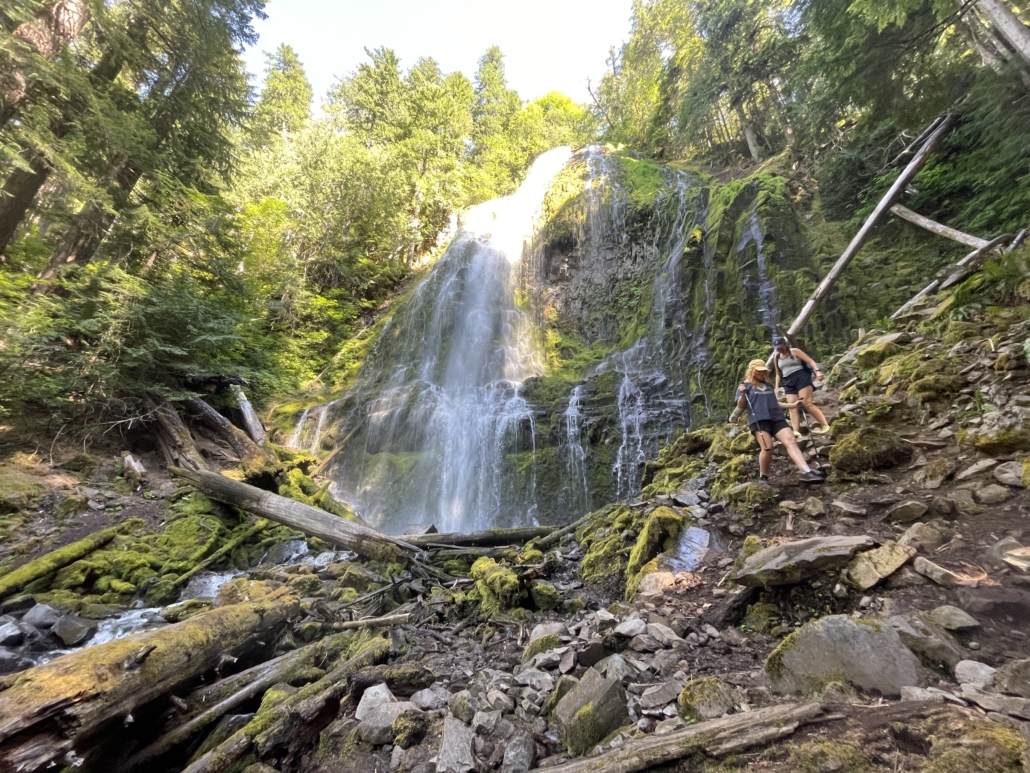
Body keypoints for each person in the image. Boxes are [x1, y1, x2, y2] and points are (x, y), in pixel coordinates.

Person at [730, 359, 825, 484]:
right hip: (759, 419)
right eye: (758, 371)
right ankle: (763, 475)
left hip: (776, 417)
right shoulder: (745, 386)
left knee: (791, 440)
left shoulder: (768, 385)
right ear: (752, 371)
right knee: (767, 447)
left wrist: (792, 405)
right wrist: (743, 394)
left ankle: (806, 471)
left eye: (763, 371)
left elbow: (775, 403)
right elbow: (741, 405)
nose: (761, 374)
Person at [772, 335, 830, 437]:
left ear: (786, 345)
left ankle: (825, 425)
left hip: (801, 376)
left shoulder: (795, 351)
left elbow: (810, 361)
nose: (779, 349)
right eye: (777, 348)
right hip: (788, 380)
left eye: (781, 346)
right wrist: (776, 387)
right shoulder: (776, 357)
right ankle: (796, 431)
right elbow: (777, 373)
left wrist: (817, 371)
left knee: (806, 403)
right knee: (792, 405)